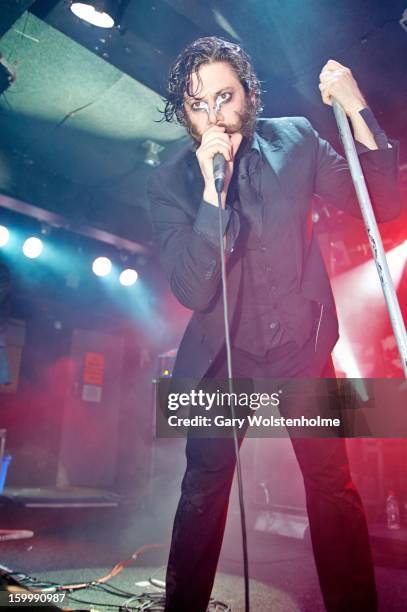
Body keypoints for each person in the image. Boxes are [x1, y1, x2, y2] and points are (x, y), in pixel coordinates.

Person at [147, 37, 401, 612]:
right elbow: (191, 288)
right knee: (203, 489)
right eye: (197, 104)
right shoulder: (170, 182)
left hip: (300, 353)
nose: (214, 115)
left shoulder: (298, 140)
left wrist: (356, 104)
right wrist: (215, 194)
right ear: (184, 115)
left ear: (248, 93)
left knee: (332, 487)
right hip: (221, 362)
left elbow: (380, 199)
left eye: (224, 96)